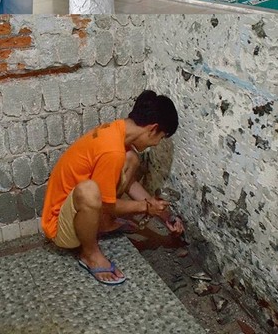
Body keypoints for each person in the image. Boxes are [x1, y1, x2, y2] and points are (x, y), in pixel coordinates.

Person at [41, 90, 185, 286]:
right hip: (60, 228)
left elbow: (130, 183)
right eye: (160, 137)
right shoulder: (112, 150)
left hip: (76, 212)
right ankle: (90, 254)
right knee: (90, 191)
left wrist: (165, 215)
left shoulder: (117, 131)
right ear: (153, 129)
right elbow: (106, 204)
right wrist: (145, 208)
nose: (157, 143)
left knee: (131, 159)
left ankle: (104, 224)